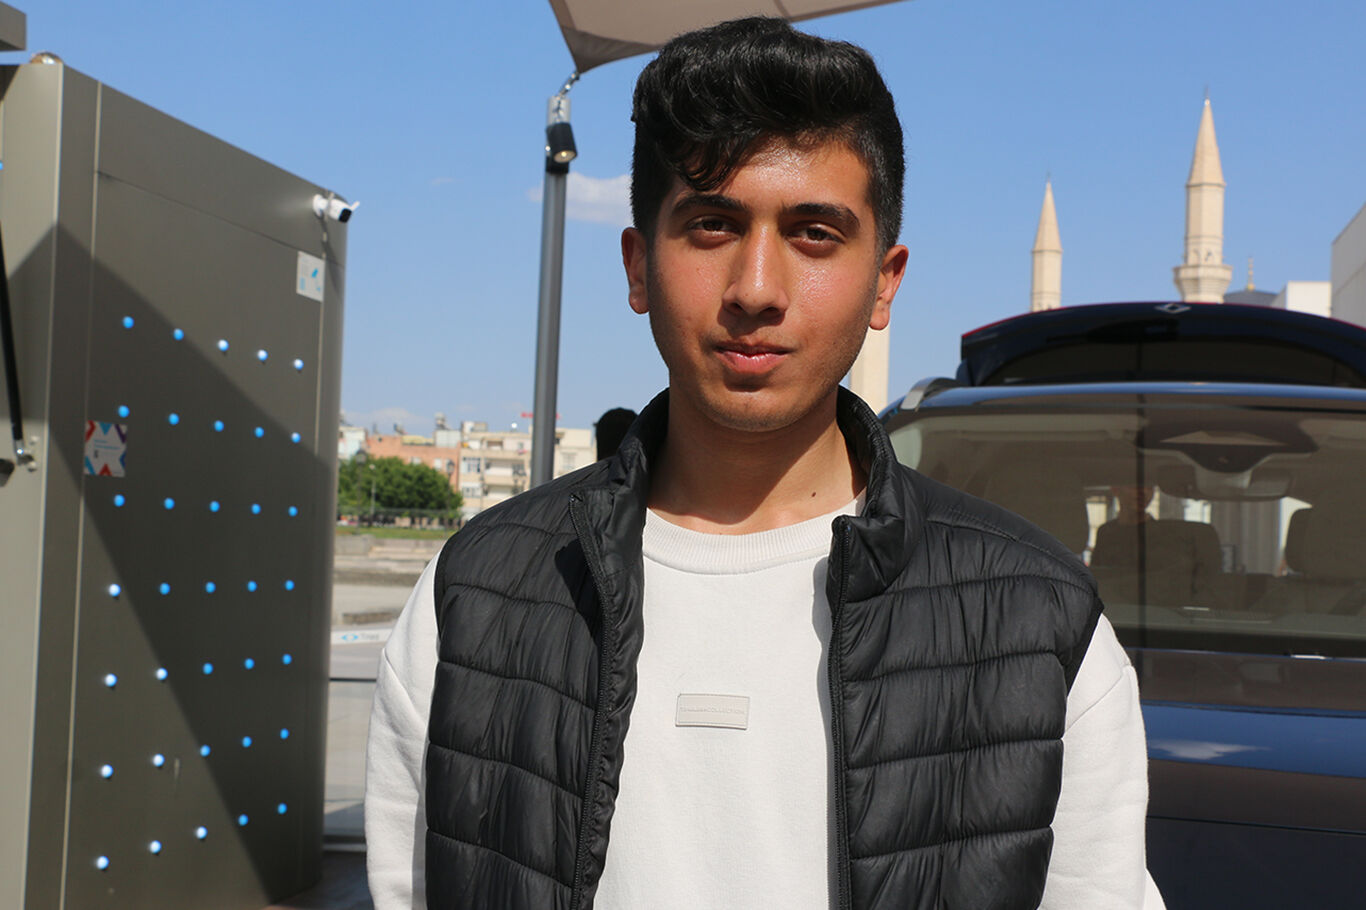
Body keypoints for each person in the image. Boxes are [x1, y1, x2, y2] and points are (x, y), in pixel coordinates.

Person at [365, 17, 1163, 910]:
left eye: (814, 233)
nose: (756, 288)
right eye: (712, 224)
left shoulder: (1038, 622)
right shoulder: (476, 596)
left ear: (885, 280)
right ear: (638, 265)